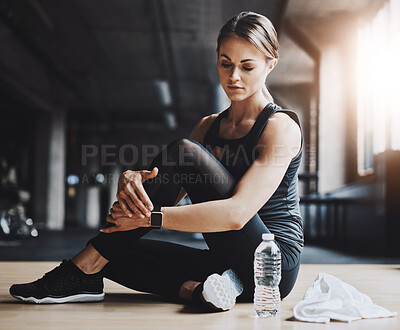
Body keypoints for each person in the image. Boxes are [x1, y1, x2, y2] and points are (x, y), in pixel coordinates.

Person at [9, 11, 303, 312]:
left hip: (271, 265)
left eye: (247, 66)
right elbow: (169, 195)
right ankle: (200, 291)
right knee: (114, 253)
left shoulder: (279, 127)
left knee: (182, 153)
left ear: (270, 64)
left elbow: (237, 214)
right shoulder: (208, 126)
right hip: (226, 259)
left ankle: (79, 271)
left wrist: (150, 218)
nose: (233, 76)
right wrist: (135, 182)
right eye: (225, 63)